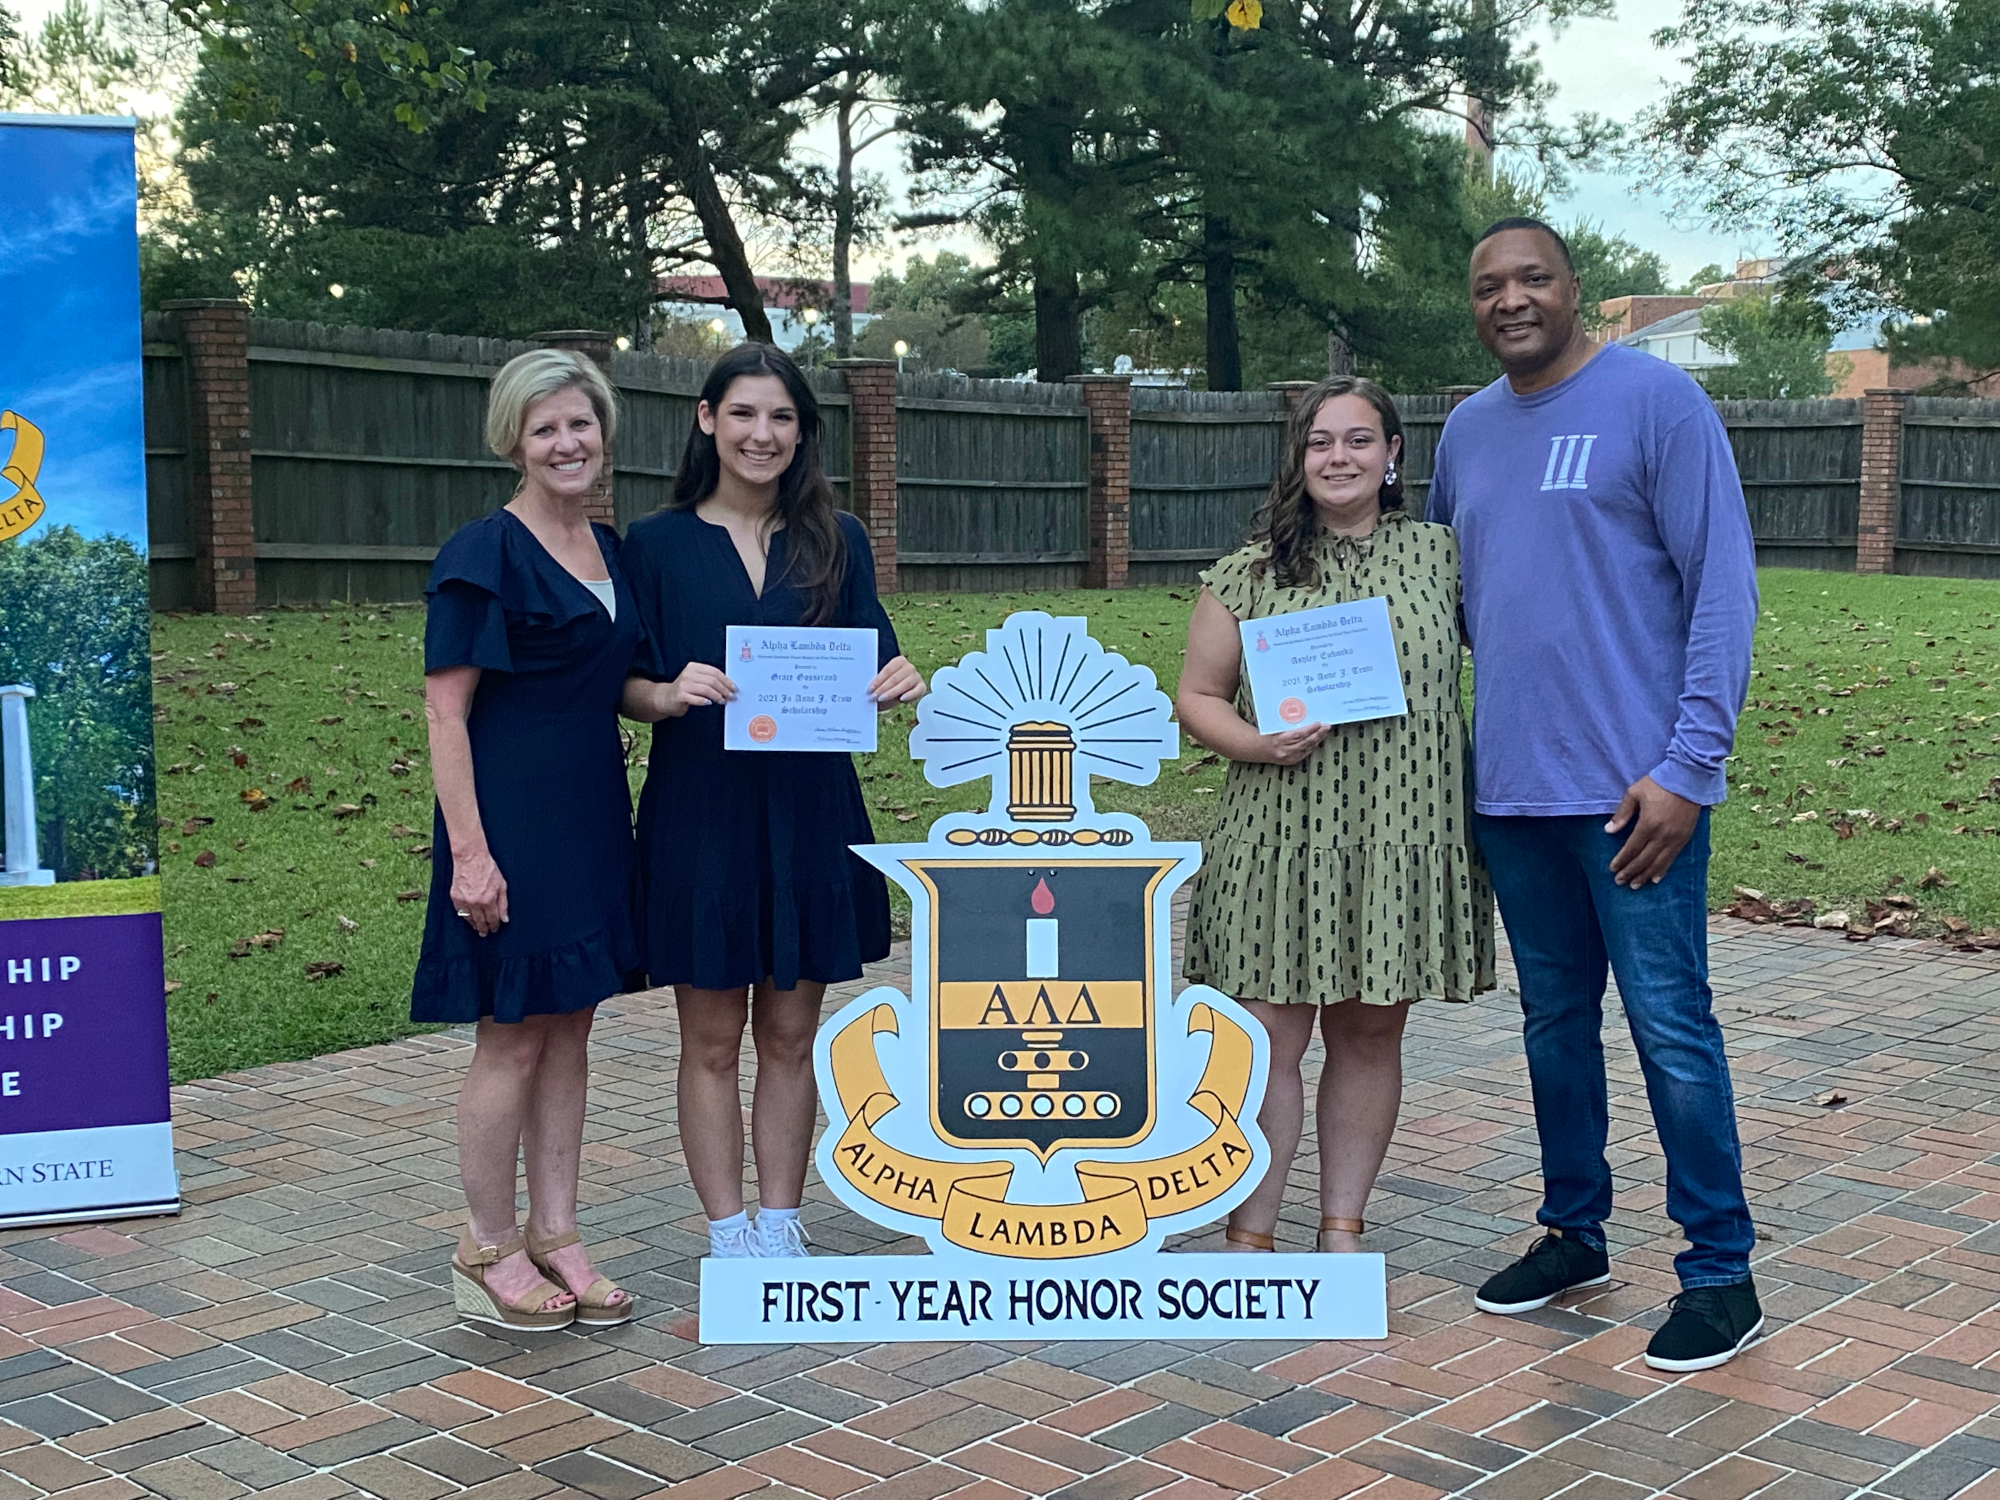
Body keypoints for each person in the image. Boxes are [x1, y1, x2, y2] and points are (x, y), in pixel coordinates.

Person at [1428, 217, 1762, 1372]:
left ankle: (1718, 1269)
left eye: (1531, 278)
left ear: (1579, 289)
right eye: (1487, 286)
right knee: (1552, 1026)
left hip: (1634, 796)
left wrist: (1687, 768)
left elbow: (1721, 588)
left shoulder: (1655, 406)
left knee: (1670, 1027)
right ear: (1470, 306)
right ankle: (1572, 1230)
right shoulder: (1466, 432)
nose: (1509, 299)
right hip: (1512, 792)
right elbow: (1440, 611)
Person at [620, 343, 926, 1260]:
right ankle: (726, 1230)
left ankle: (783, 1224)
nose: (763, 434)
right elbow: (624, 683)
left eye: (783, 418)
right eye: (745, 414)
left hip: (808, 812)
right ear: (707, 419)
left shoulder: (842, 538)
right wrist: (666, 694)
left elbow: (876, 658)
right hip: (700, 813)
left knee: (793, 1033)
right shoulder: (654, 545)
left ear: (803, 432)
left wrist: (902, 677)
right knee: (711, 1037)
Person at [1179, 375, 1494, 1256]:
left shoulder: (1444, 555)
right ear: (1299, 456)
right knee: (1269, 1038)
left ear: (1394, 453)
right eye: (1321, 442)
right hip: (1281, 831)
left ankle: (1342, 1227)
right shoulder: (1247, 572)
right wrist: (1253, 744)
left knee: (1367, 1031)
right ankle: (1251, 1233)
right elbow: (1198, 694)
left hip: (1401, 835)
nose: (1339, 457)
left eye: (1359, 439)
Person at [414, 349, 641, 1331]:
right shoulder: (482, 554)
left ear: (603, 433)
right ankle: (483, 1243)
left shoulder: (610, 551)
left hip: (591, 817)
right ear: (513, 439)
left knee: (571, 1030)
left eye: (579, 425)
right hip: (506, 826)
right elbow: (444, 713)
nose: (565, 443)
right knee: (509, 1038)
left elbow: (618, 684)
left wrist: (679, 696)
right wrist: (469, 852)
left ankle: (557, 1230)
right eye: (544, 427)